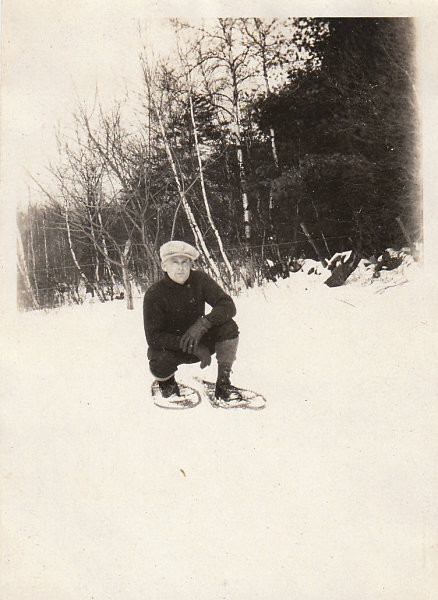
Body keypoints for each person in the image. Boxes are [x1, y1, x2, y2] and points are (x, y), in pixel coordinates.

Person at [143, 240, 241, 401]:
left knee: (229, 327)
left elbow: (228, 306)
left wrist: (203, 324)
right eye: (174, 262)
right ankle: (167, 384)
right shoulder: (154, 294)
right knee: (159, 359)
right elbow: (153, 337)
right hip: (172, 349)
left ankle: (223, 384)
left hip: (200, 340)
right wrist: (192, 347)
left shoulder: (200, 280)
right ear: (164, 266)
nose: (180, 267)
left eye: (185, 262)